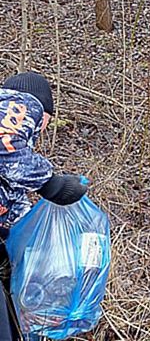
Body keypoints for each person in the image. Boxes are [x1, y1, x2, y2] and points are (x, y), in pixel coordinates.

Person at [0, 71, 87, 340]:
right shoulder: (21, 103)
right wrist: (50, 183)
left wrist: (34, 232)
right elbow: (4, 146)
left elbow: (10, 193)